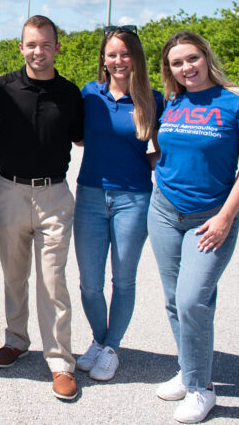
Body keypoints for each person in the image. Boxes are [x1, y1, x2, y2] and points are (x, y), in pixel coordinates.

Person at [148, 31, 239, 424]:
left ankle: (202, 389)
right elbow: (165, 151)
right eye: (177, 63)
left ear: (205, 57)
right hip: (164, 210)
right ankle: (189, 371)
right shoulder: (174, 101)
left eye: (192, 59)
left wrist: (226, 216)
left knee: (193, 300)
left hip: (211, 218)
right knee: (172, 298)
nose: (186, 68)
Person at [0, 15, 84, 400]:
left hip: (55, 196)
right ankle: (15, 339)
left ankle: (60, 362)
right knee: (14, 274)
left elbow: (83, 139)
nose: (38, 51)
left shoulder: (71, 93)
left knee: (52, 281)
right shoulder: (2, 88)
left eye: (45, 44)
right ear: (21, 46)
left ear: (57, 47)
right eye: (31, 44)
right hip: (10, 190)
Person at [73, 26, 163, 382]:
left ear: (136, 58)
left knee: (123, 280)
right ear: (103, 59)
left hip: (134, 199)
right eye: (112, 54)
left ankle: (111, 347)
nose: (119, 61)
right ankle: (98, 339)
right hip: (91, 194)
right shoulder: (90, 95)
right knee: (89, 283)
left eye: (125, 54)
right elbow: (78, 137)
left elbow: (164, 149)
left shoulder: (153, 100)